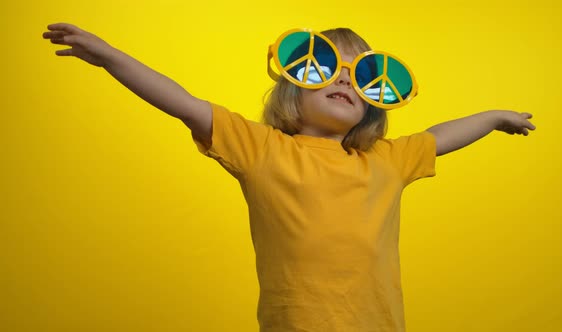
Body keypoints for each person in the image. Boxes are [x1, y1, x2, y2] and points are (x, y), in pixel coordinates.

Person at [42, 23, 536, 332]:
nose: (343, 78)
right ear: (291, 90)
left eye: (360, 76)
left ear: (371, 105)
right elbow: (182, 102)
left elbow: (440, 133)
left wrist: (493, 117)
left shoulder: (386, 160)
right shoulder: (260, 148)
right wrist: (108, 57)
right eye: (324, 68)